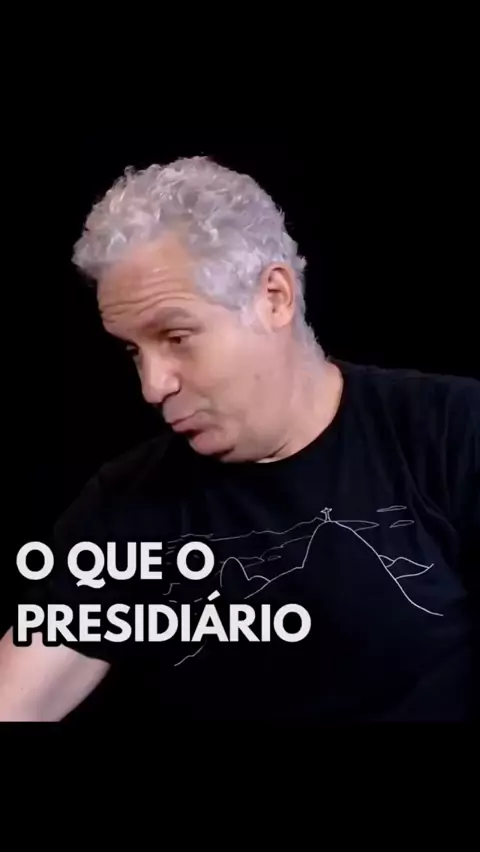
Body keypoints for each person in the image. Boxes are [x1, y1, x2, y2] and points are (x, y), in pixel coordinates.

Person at [0, 155, 478, 722]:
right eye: (133, 351)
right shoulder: (125, 508)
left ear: (274, 297)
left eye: (176, 336)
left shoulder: (449, 430)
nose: (153, 386)